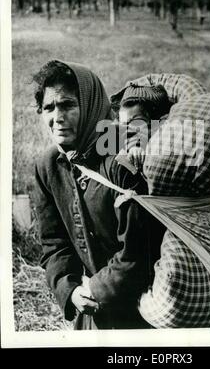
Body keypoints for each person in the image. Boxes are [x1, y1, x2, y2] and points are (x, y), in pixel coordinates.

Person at [33, 60, 165, 329]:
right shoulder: (48, 166)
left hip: (142, 309)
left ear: (91, 104)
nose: (57, 117)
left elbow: (139, 252)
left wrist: (96, 289)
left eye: (68, 105)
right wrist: (69, 290)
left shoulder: (122, 157)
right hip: (90, 310)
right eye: (48, 107)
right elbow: (54, 243)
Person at [116, 83, 172, 171]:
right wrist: (133, 147)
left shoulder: (161, 125)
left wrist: (139, 146)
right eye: (124, 123)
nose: (128, 127)